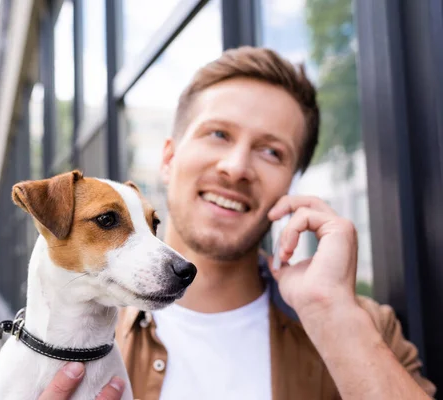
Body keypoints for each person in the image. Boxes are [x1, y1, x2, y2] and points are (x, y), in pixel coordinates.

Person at [38, 46, 436, 399]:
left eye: (271, 152)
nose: (236, 167)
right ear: (168, 159)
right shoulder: (63, 330)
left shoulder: (365, 327)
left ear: (292, 183)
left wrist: (331, 311)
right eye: (218, 134)